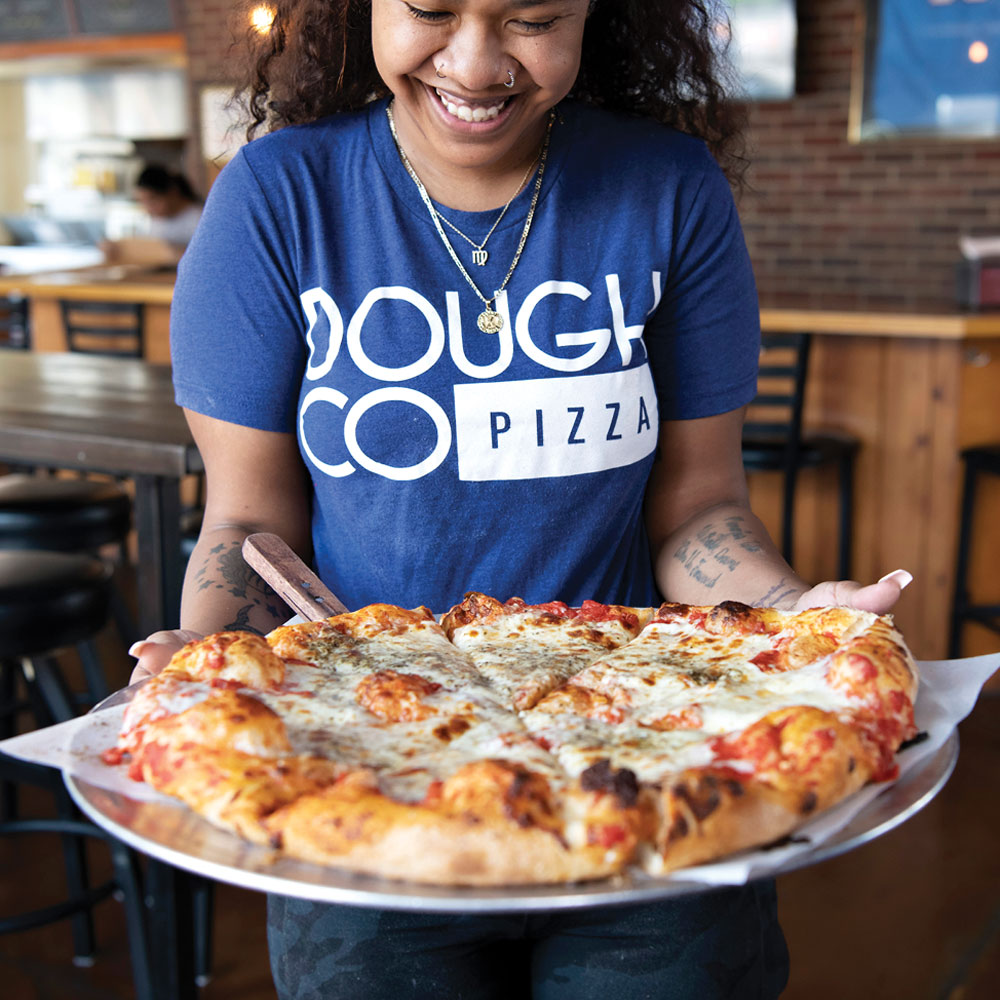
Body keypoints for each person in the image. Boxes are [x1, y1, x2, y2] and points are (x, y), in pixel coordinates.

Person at [129, 1, 912, 997]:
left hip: (656, 744)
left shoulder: (667, 187)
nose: (475, 61)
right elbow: (248, 524)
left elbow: (698, 509)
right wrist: (213, 670)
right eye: (428, 10)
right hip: (358, 755)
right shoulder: (277, 198)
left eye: (532, 16)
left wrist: (792, 621)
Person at [102, 165, 203, 266]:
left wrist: (171, 252)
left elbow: (203, 258)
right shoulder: (156, 221)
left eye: (152, 200)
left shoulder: (199, 217)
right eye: (142, 202)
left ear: (172, 192)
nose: (148, 209)